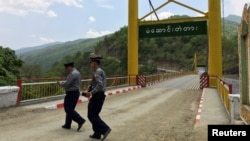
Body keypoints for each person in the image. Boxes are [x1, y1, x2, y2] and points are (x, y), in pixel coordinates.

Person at [82, 54, 111, 141]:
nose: (90, 64)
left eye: (91, 62)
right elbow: (97, 83)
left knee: (91, 115)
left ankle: (105, 129)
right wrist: (91, 86)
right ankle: (97, 133)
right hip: (99, 96)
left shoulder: (97, 72)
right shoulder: (100, 71)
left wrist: (90, 93)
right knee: (94, 114)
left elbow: (100, 84)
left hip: (97, 96)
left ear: (94, 63)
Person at [57, 62, 85, 131]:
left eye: (66, 68)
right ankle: (67, 124)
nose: (66, 69)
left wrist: (60, 83)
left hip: (72, 93)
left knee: (68, 109)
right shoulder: (76, 72)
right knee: (69, 108)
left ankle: (80, 120)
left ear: (70, 67)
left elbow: (67, 84)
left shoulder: (73, 74)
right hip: (73, 93)